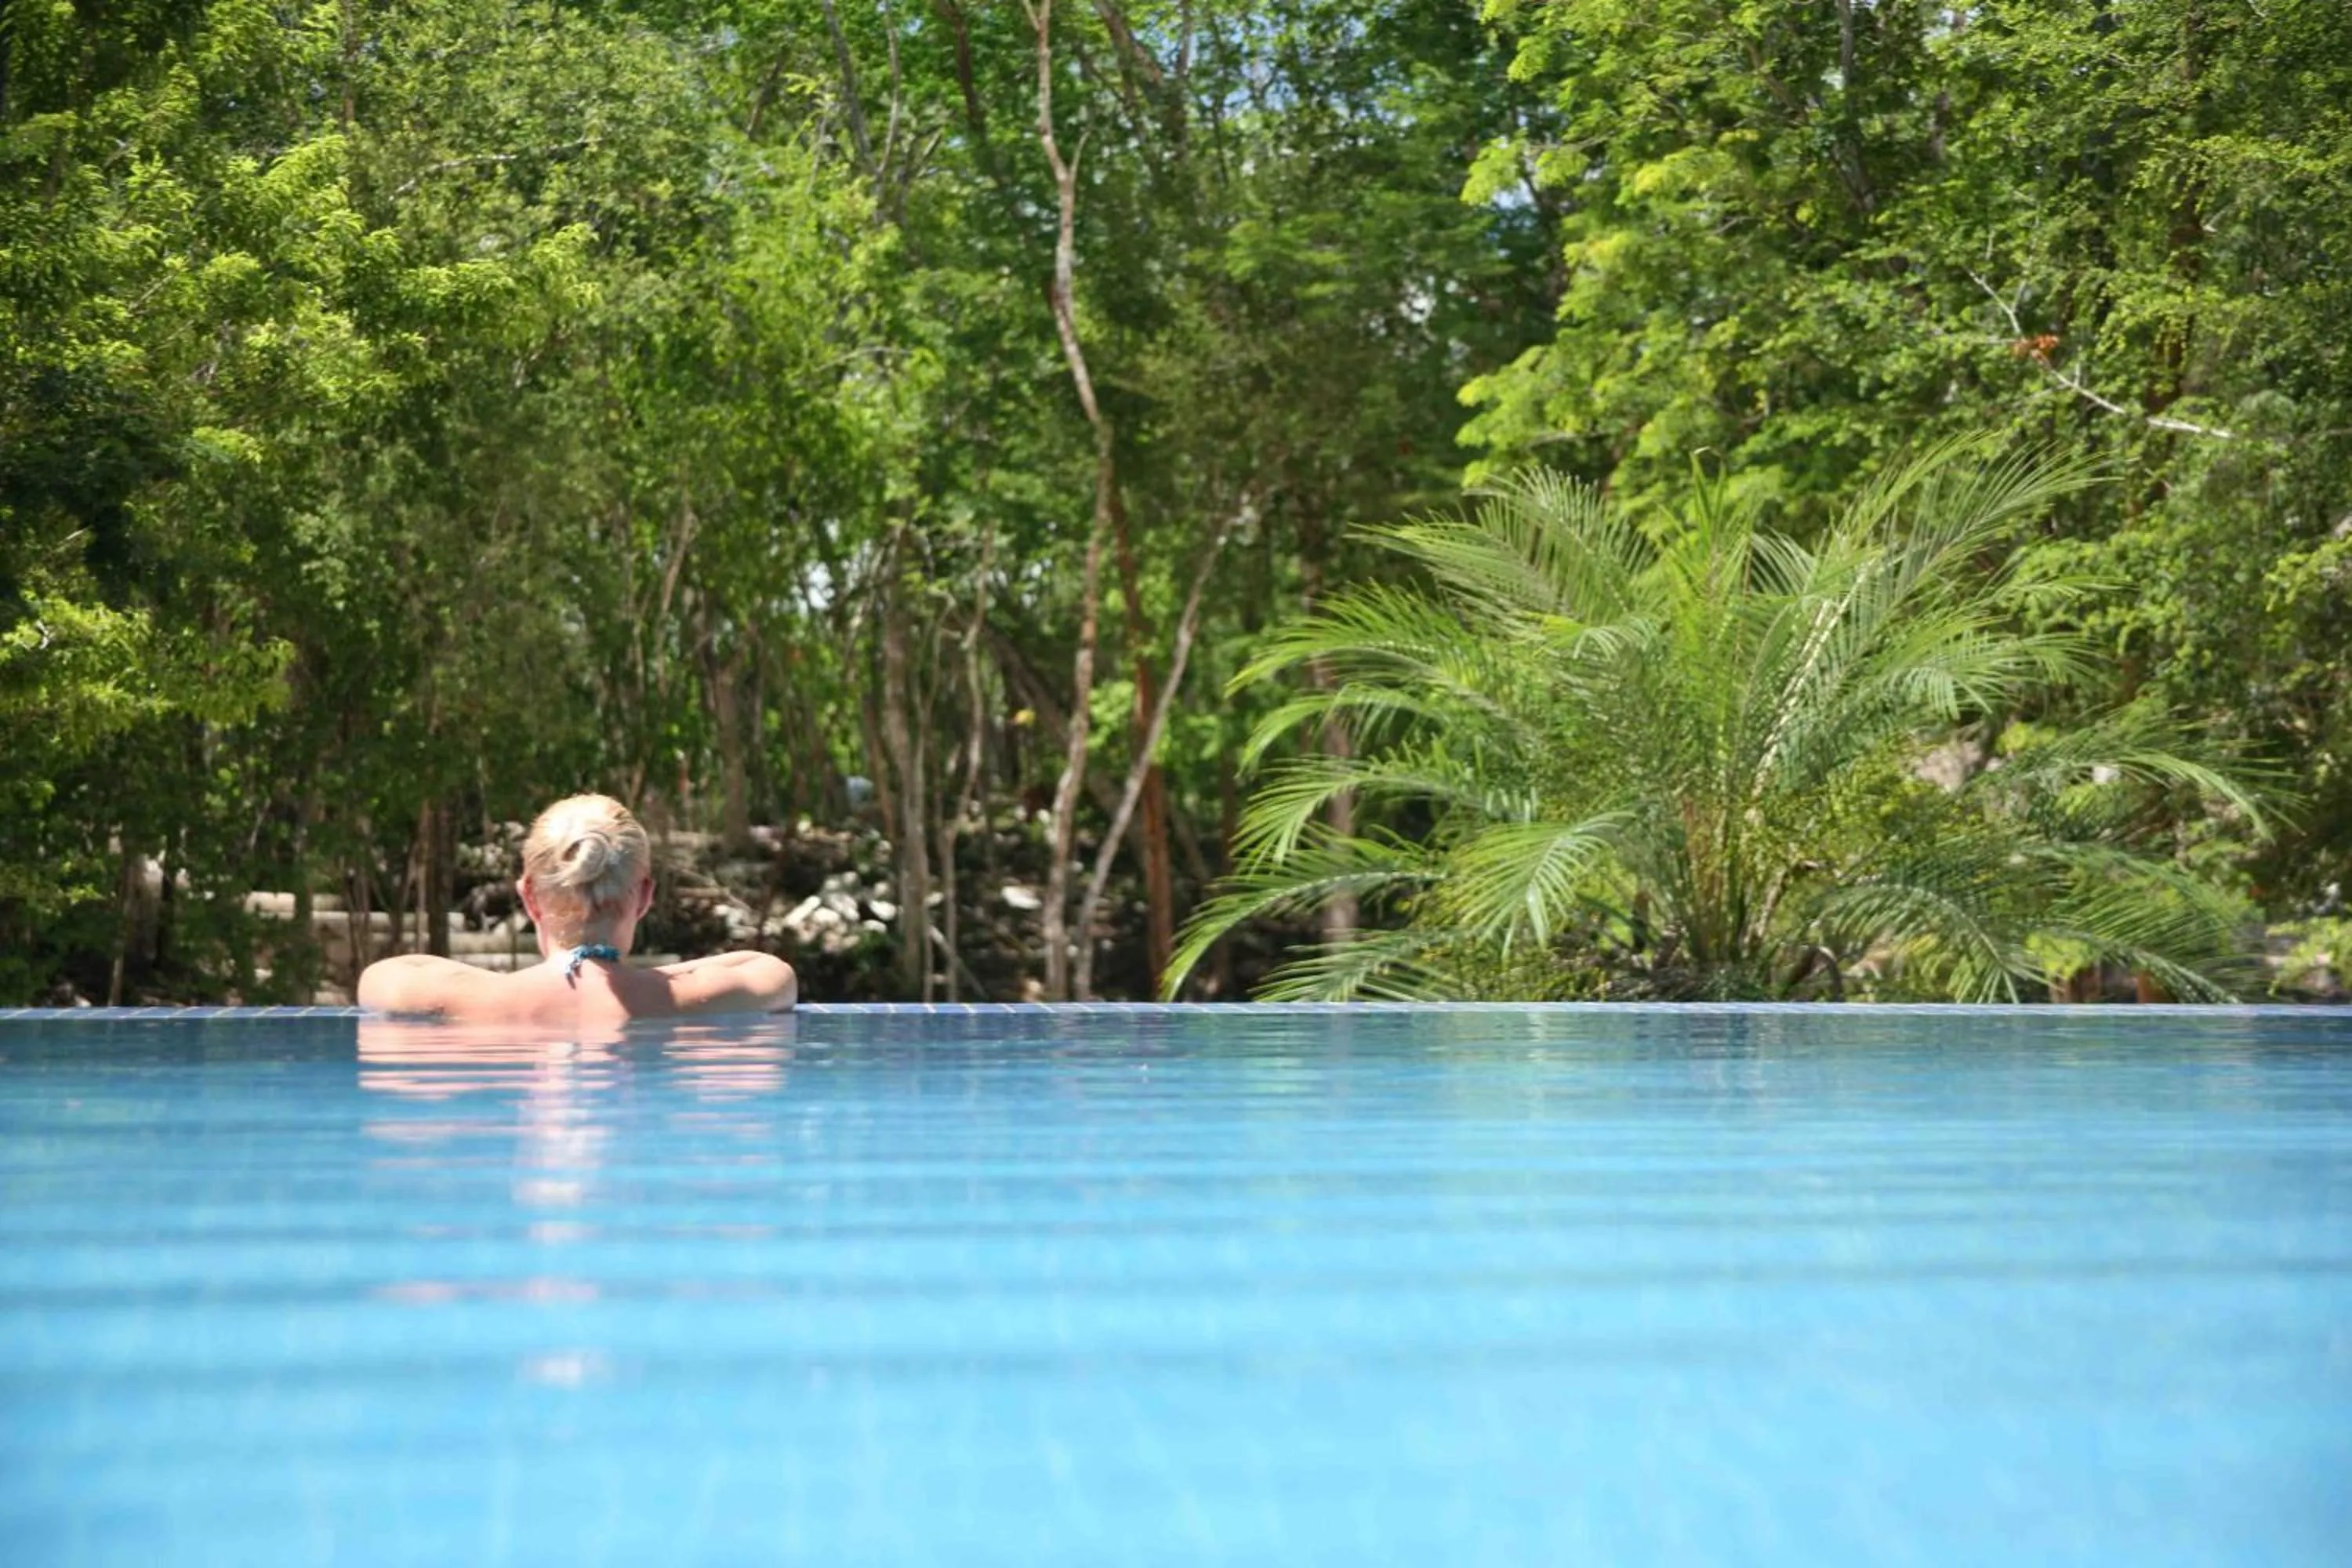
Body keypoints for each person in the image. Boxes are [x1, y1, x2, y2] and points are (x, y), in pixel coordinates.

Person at [357, 793, 796, 1023]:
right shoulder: (689, 1000)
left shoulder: (477, 999)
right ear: (644, 897)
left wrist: (513, 983)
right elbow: (771, 972)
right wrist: (651, 982)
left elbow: (382, 978)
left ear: (529, 897)